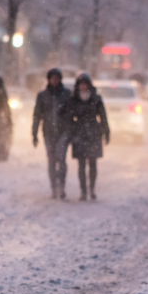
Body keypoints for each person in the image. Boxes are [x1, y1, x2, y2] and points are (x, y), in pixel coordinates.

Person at [61, 74, 109, 201]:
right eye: (80, 84)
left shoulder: (96, 99)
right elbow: (69, 118)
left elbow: (103, 116)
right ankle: (83, 191)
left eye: (85, 84)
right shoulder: (73, 100)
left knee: (93, 164)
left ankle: (92, 190)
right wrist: (71, 133)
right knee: (81, 165)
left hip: (93, 134)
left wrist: (106, 132)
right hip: (79, 135)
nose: (83, 86)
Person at [32, 68, 72, 199]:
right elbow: (37, 115)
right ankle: (54, 187)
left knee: (61, 159)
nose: (54, 80)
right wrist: (34, 133)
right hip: (48, 133)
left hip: (63, 132)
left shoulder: (66, 94)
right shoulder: (42, 96)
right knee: (51, 161)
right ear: (48, 79)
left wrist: (71, 131)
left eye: (56, 78)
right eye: (52, 78)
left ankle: (62, 186)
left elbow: (72, 114)